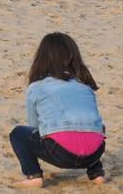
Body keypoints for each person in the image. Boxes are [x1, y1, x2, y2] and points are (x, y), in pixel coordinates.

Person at [9, 32, 106, 187]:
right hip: (94, 153)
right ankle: (96, 174)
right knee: (92, 126)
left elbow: (34, 126)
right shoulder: (84, 87)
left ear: (41, 58)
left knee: (18, 134)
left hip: (61, 153)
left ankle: (33, 175)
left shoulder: (36, 87)